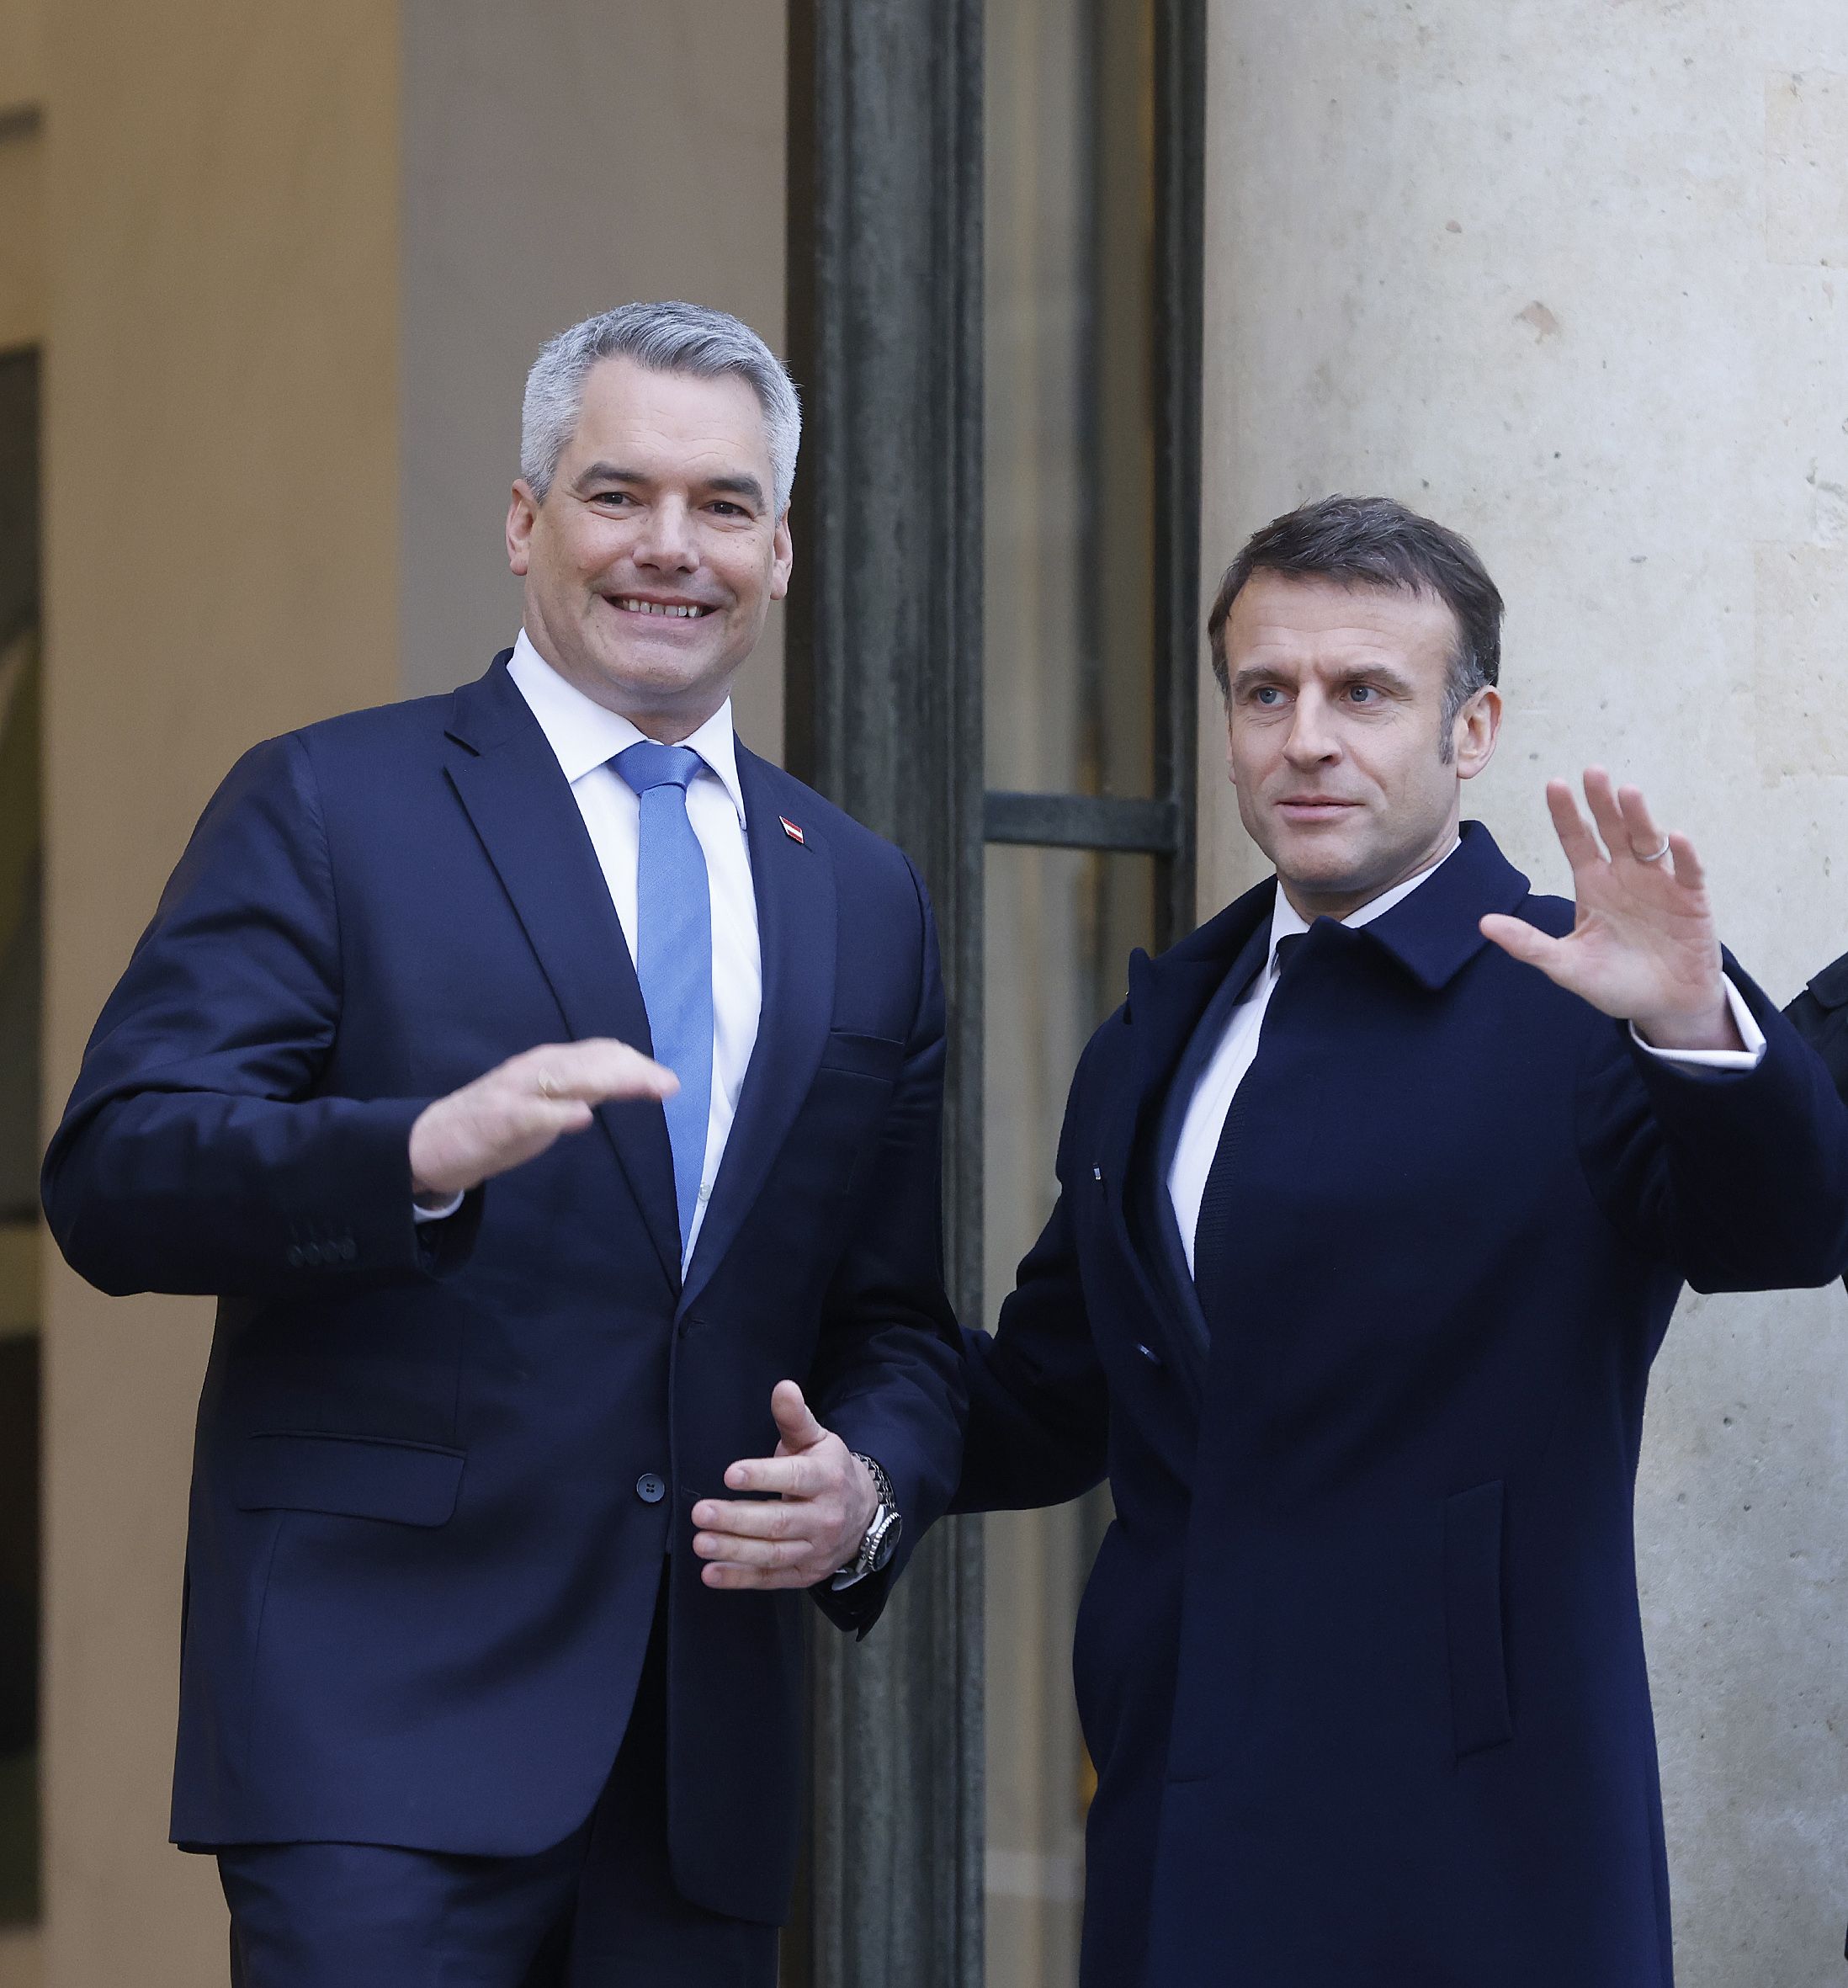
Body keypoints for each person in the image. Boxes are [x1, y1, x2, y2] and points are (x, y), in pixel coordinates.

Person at [40, 301, 964, 1988]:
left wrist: (870, 1489)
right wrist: (412, 1151)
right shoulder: (332, 804)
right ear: (526, 517)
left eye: (724, 506)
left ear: (780, 548)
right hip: (377, 1740)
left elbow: (892, 1316)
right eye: (618, 496)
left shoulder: (864, 892)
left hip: (698, 1771)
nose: (670, 549)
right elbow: (115, 1172)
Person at [952, 496, 1848, 1988]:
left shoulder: (1592, 994)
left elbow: (1785, 1226)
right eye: (1267, 692)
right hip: (1178, 1819)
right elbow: (1058, 1391)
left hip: (1475, 1850)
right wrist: (864, 1462)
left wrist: (1691, 1021)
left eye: (1364, 692)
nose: (1308, 736)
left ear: (1470, 726)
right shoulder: (1158, 1026)